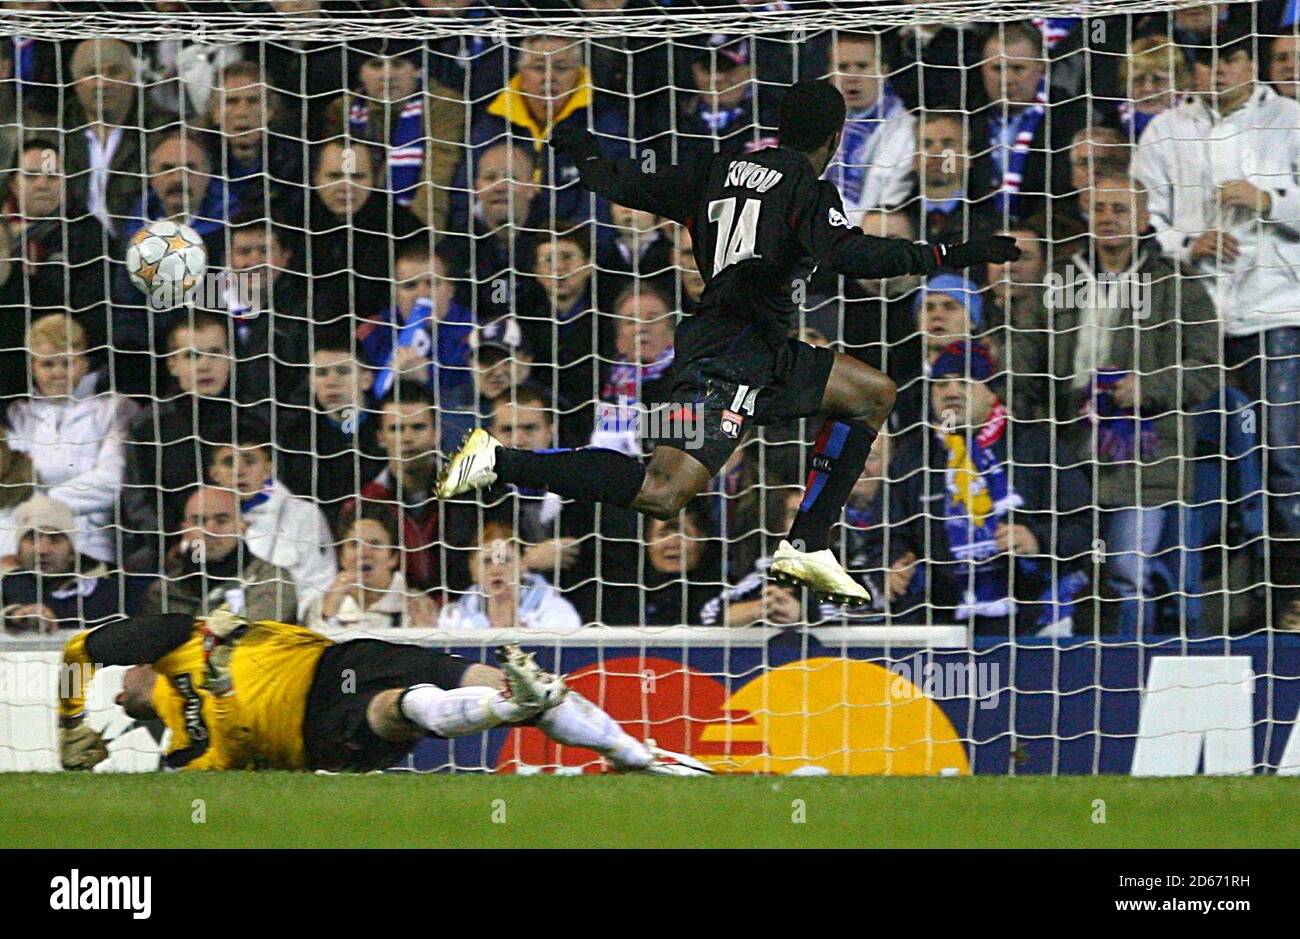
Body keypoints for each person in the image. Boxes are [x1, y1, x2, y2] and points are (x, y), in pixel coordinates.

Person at [438, 79, 1019, 607]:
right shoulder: (808, 193)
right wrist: (954, 253)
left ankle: (806, 546)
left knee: (873, 393)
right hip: (726, 363)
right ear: (837, 138)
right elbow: (852, 255)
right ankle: (497, 459)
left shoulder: (716, 169)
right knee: (662, 495)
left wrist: (576, 144)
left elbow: (618, 181)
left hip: (740, 349)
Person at [55, 612, 709, 775]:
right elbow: (225, 757)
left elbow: (75, 651)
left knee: (480, 678)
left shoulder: (173, 641)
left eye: (125, 674)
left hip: (343, 657)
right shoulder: (182, 753)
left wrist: (66, 725)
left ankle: (634, 754)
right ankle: (528, 708)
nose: (120, 687)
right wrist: (221, 685)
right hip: (317, 729)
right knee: (396, 708)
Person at [6, 313, 137, 565]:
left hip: (93, 546)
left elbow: (112, 481)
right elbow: (12, 489)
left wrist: (41, 507)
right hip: (24, 547)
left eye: (67, 363)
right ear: (33, 366)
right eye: (47, 364)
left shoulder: (114, 408)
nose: (58, 373)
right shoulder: (18, 415)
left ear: (85, 363)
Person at [142, 485, 300, 625]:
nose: (210, 531)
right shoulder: (163, 592)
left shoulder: (273, 582)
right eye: (199, 521)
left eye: (221, 521)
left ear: (242, 526)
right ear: (185, 530)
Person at [0, 494, 135, 633]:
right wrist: (15, 615)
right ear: (18, 550)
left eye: (55, 539)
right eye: (32, 538)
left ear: (72, 551)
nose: (42, 550)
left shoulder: (115, 589)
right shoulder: (6, 583)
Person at [305, 502, 438, 630]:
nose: (363, 553)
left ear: (393, 557)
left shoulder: (420, 607)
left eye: (375, 544)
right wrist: (328, 614)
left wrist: (425, 631)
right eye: (354, 545)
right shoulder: (320, 607)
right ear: (341, 557)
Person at [438, 521, 581, 631]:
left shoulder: (556, 610)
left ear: (523, 565)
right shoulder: (452, 617)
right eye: (487, 561)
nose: (496, 570)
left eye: (505, 560)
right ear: (473, 570)